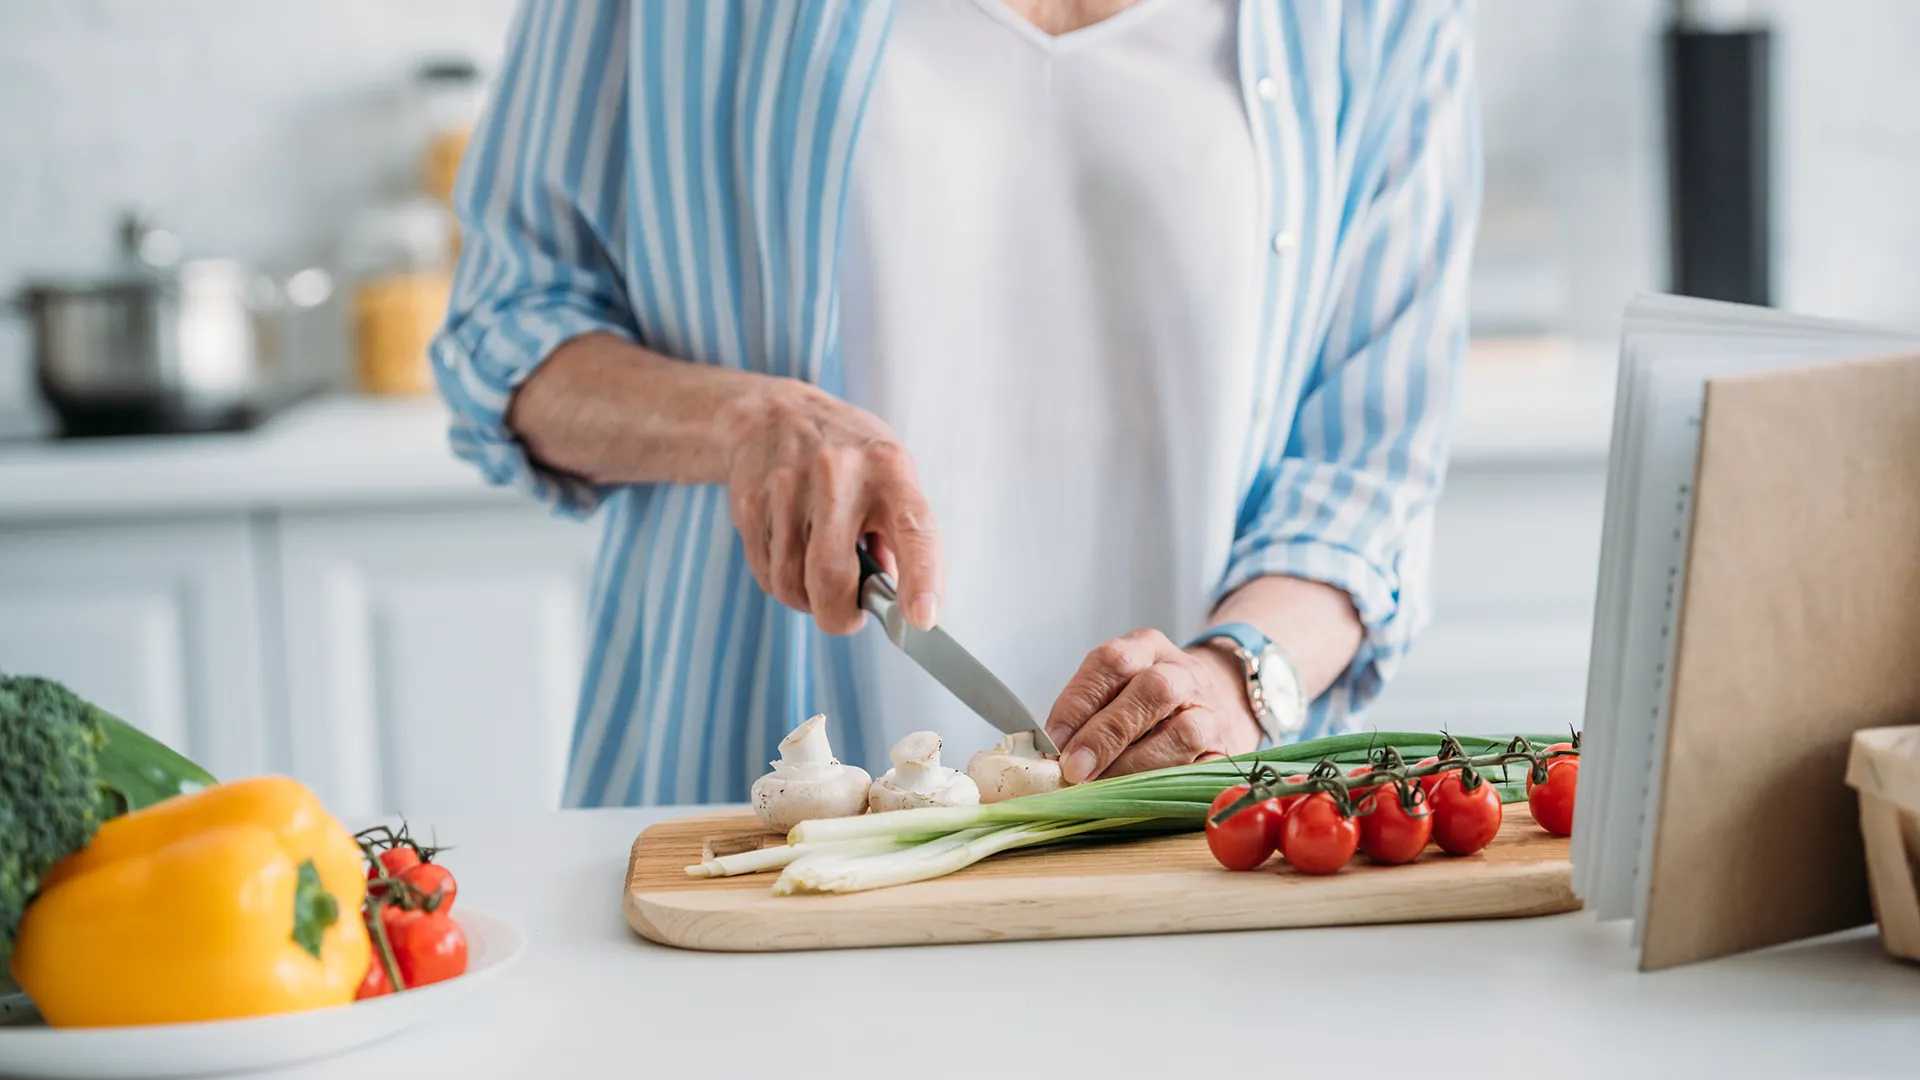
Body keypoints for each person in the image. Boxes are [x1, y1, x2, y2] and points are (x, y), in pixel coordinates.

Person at [430, 0, 1482, 807]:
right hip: (744, 819)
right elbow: (506, 329)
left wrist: (1238, 677)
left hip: (1186, 841)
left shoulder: (1380, 19)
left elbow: (1366, 472)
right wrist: (743, 420)